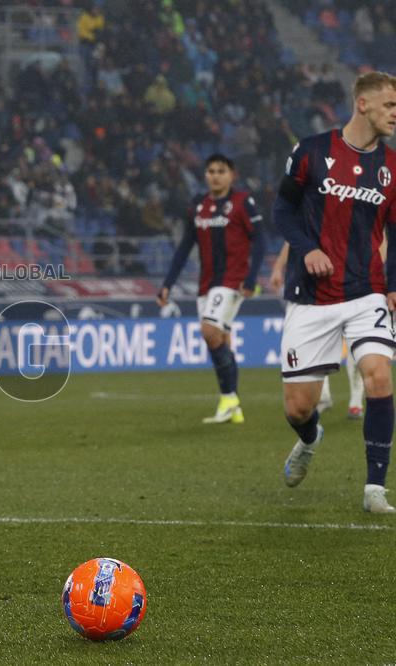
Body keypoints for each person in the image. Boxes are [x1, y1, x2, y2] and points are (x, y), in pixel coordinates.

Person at [274, 71, 396, 514]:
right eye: (389, 105)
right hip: (312, 297)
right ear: (362, 104)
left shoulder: (392, 168)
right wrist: (305, 250)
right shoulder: (310, 152)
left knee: (378, 375)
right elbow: (282, 210)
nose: (395, 114)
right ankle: (309, 439)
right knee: (299, 408)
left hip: (367, 292)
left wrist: (393, 286)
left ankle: (375, 489)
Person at [157, 154, 266, 424]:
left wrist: (251, 278)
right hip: (206, 283)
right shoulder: (198, 206)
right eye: (211, 171)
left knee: (209, 331)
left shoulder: (243, 202)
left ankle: (228, 397)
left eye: (221, 171)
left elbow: (260, 240)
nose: (215, 175)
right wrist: (167, 283)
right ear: (205, 175)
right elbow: (185, 247)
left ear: (232, 175)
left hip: (232, 280)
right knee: (221, 340)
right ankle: (233, 405)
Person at [270, 242, 365, 418]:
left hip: (354, 284)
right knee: (319, 344)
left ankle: (356, 401)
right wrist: (278, 267)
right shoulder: (310, 215)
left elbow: (379, 236)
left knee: (356, 344)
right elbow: (293, 235)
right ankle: (324, 397)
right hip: (320, 285)